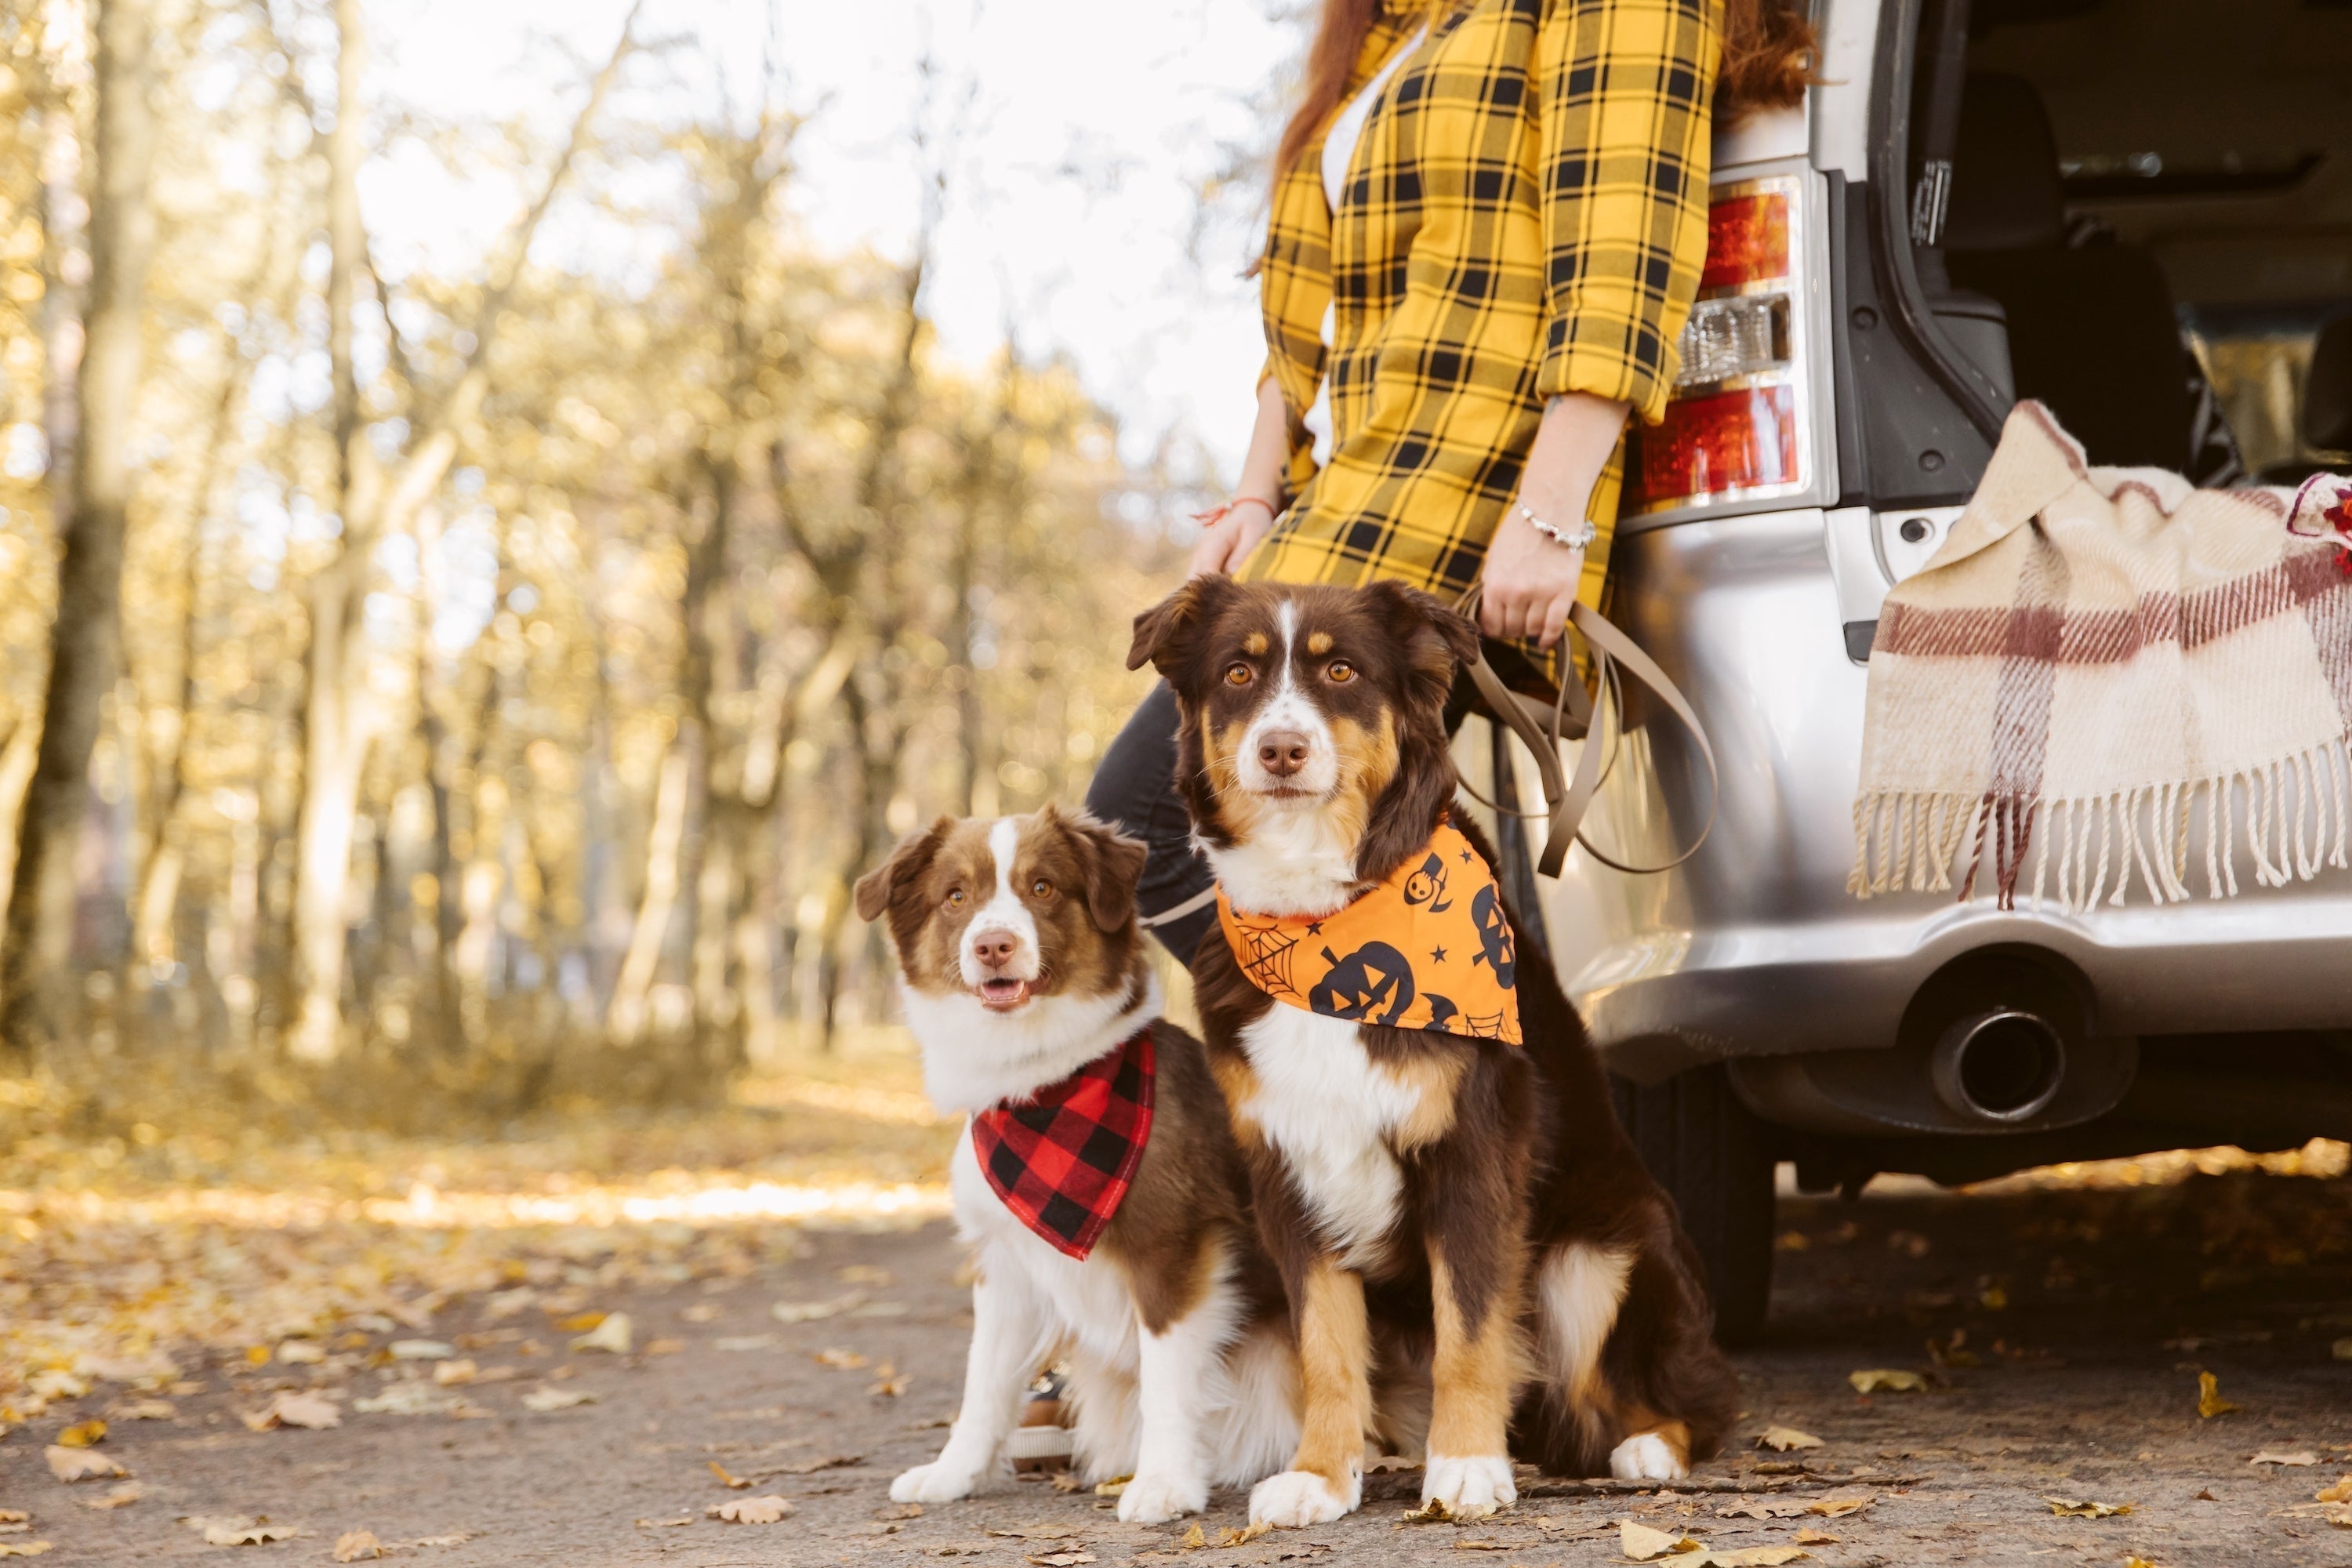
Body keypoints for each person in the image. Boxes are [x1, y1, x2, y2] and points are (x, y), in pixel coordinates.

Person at [1089, 0, 1814, 958]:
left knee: (1148, 831)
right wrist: (1256, 495)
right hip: (1340, 492)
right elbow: (1308, 309)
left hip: (1456, 492)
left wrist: (1551, 516)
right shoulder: (1394, 29)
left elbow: (1620, 258)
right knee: (1269, 856)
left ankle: (1388, 1081)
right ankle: (1400, 1087)